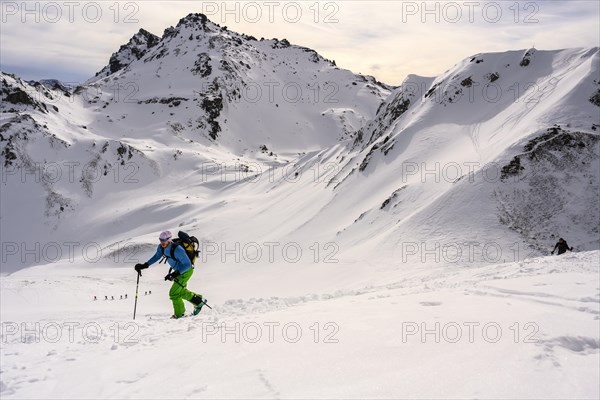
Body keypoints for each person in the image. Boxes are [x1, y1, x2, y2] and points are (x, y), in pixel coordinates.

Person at [135, 230, 205, 319]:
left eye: (164, 240)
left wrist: (175, 274)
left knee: (173, 293)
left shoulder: (177, 249)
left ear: (169, 239)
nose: (162, 242)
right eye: (160, 240)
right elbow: (157, 256)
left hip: (186, 271)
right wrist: (145, 265)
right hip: (178, 272)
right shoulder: (162, 248)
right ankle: (199, 301)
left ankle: (180, 314)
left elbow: (187, 264)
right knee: (179, 292)